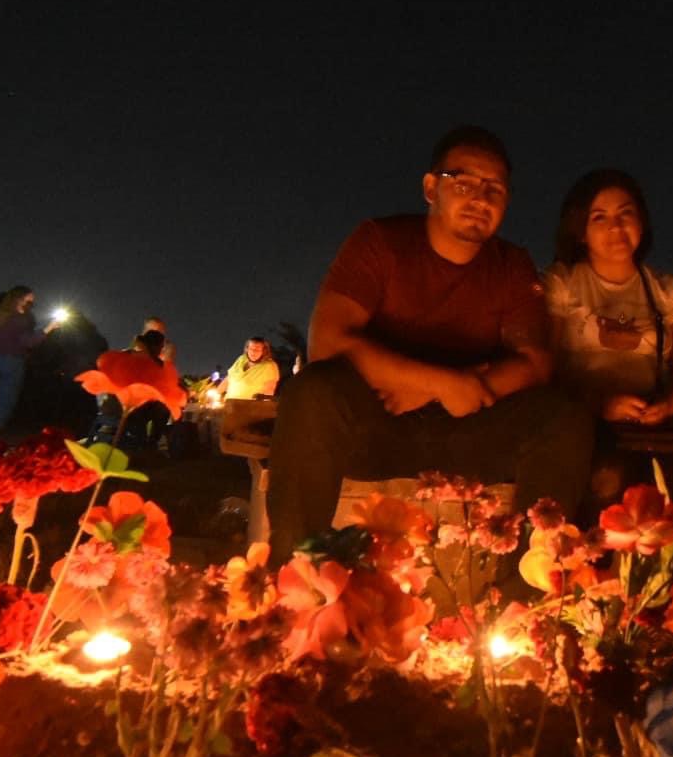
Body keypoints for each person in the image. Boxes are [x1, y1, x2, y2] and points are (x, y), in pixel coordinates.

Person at [266, 125, 595, 561]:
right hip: (380, 424)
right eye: (464, 183)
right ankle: (295, 573)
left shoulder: (511, 265)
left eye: (495, 189)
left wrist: (458, 390)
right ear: (429, 188)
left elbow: (534, 362)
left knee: (565, 418)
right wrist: (441, 383)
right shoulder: (380, 243)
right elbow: (328, 341)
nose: (480, 198)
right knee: (311, 394)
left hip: (468, 429)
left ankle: (530, 588)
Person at [544, 169, 673, 507]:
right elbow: (546, 363)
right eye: (599, 217)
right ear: (580, 230)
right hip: (583, 419)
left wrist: (668, 405)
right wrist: (600, 404)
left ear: (642, 222)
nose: (615, 227)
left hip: (652, 424)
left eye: (625, 213)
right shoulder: (562, 283)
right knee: (607, 478)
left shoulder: (669, 290)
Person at [217, 337, 282, 543]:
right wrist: (214, 392)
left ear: (264, 351)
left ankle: (239, 483)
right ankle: (226, 480)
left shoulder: (269, 367)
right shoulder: (240, 361)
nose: (254, 352)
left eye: (258, 349)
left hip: (247, 413)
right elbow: (229, 380)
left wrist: (257, 406)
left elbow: (268, 391)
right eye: (251, 348)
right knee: (226, 446)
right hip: (230, 410)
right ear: (246, 348)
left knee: (242, 449)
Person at [0, 286, 62, 439]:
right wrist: (48, 328)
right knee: (7, 400)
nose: (32, 303)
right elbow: (28, 342)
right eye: (29, 300)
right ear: (20, 299)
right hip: (12, 362)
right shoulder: (22, 319)